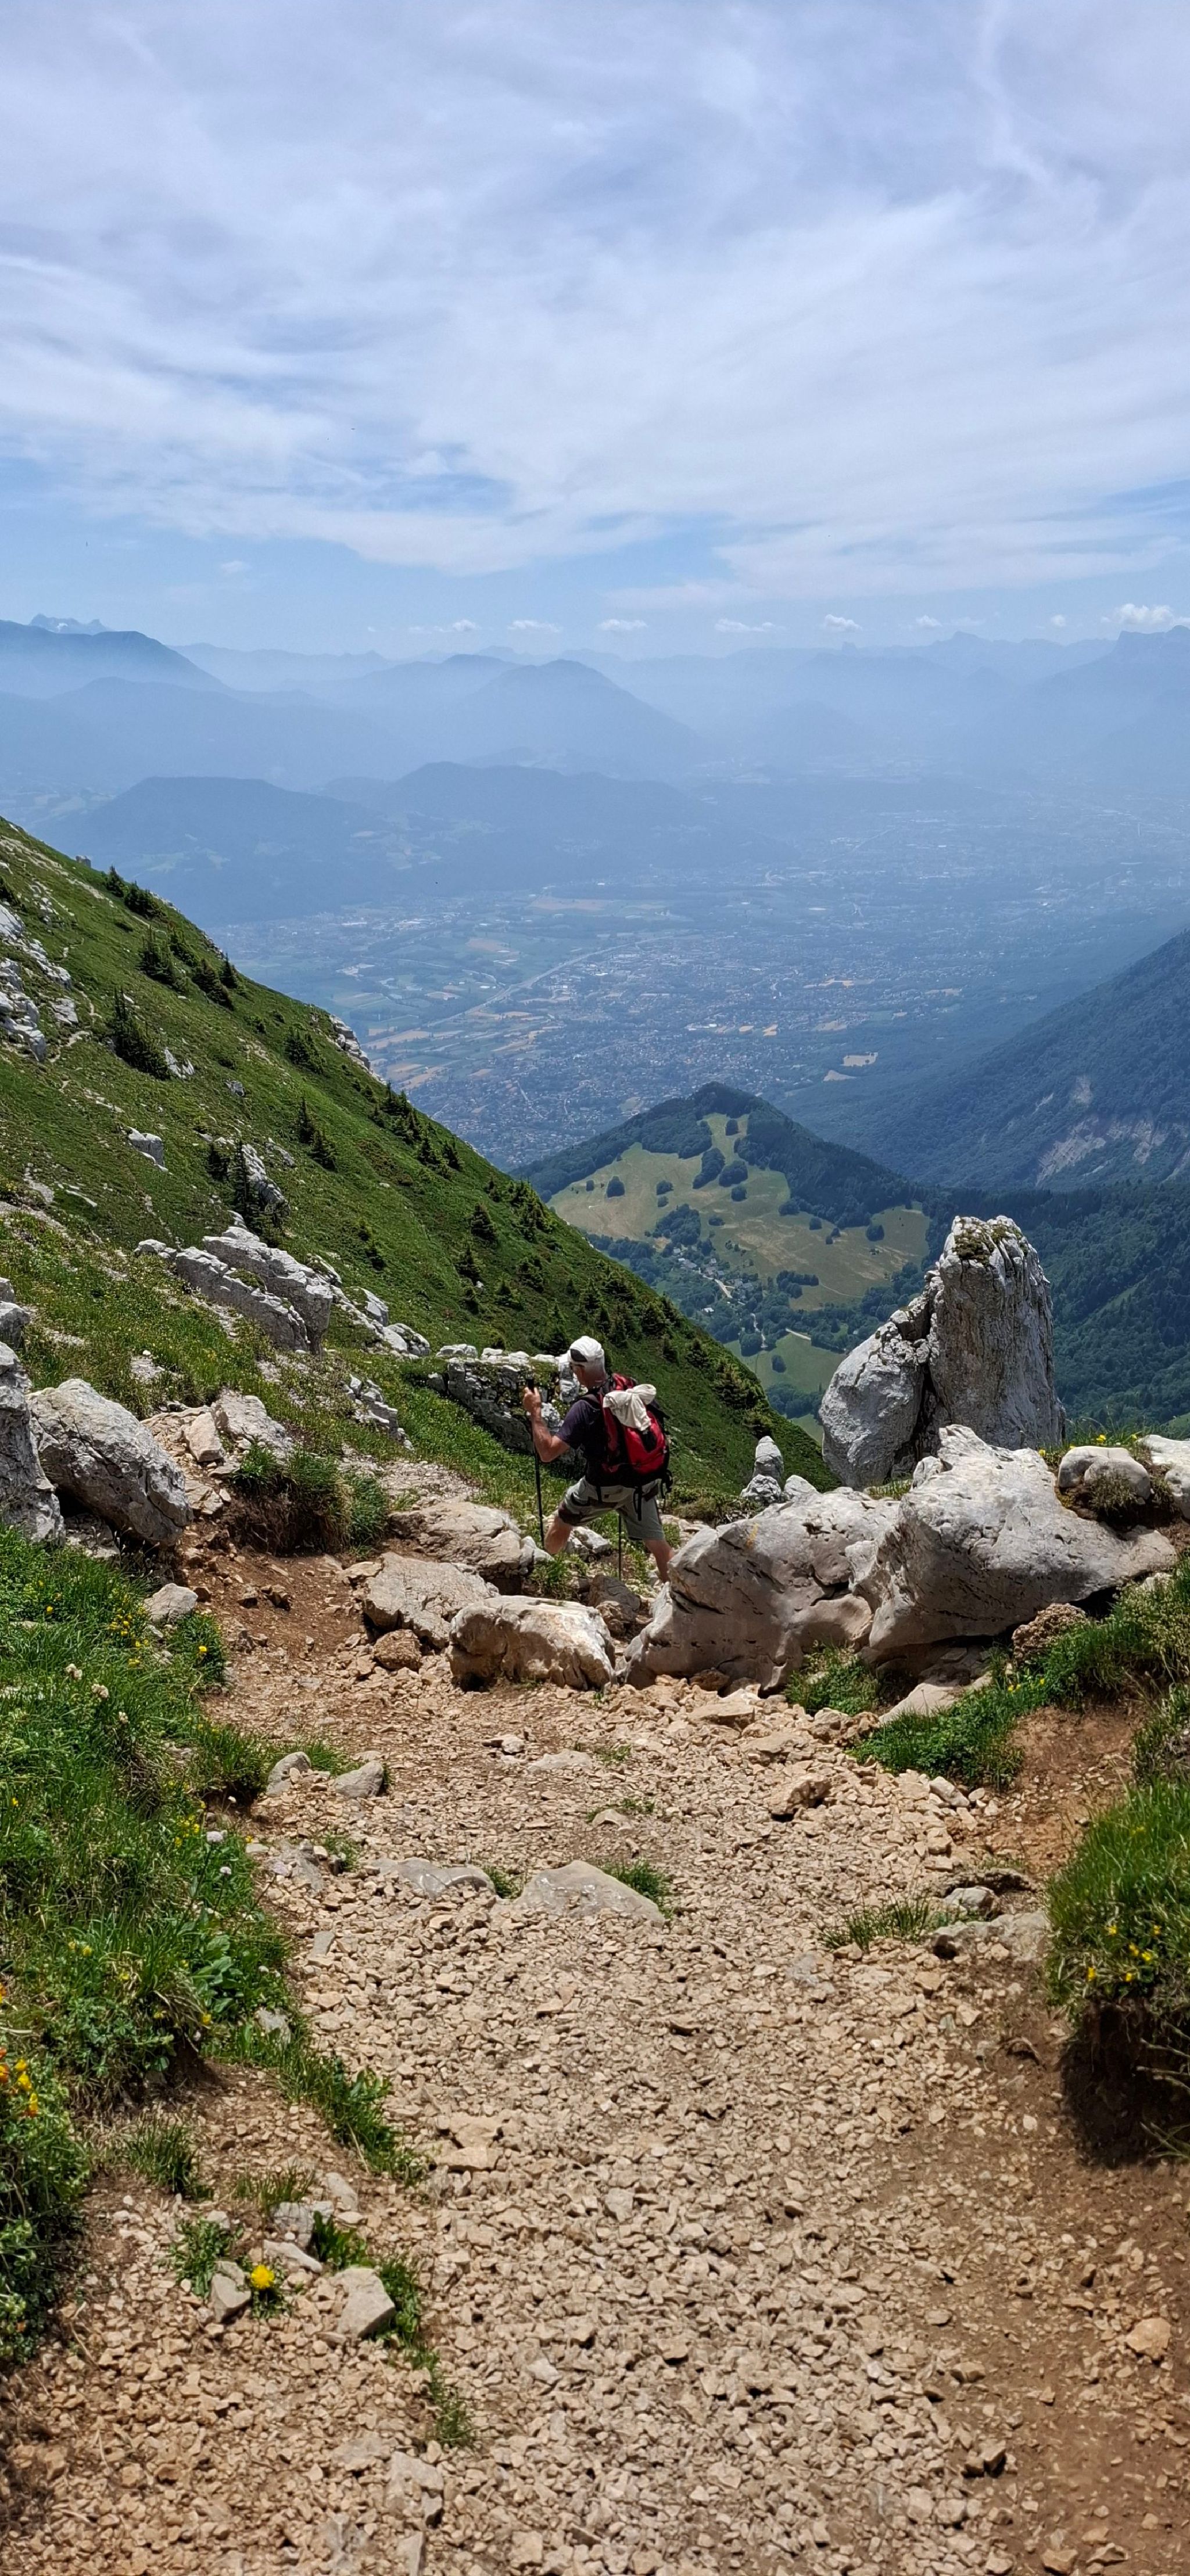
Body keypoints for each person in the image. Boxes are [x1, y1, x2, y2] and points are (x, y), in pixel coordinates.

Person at [521, 1333, 672, 1582]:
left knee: (563, 1519)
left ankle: (544, 1568)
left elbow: (548, 1453)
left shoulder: (586, 1407)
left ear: (580, 1371)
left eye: (573, 1368)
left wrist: (535, 1412)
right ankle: (677, 1595)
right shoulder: (628, 1385)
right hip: (641, 1482)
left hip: (602, 1487)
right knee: (658, 1544)